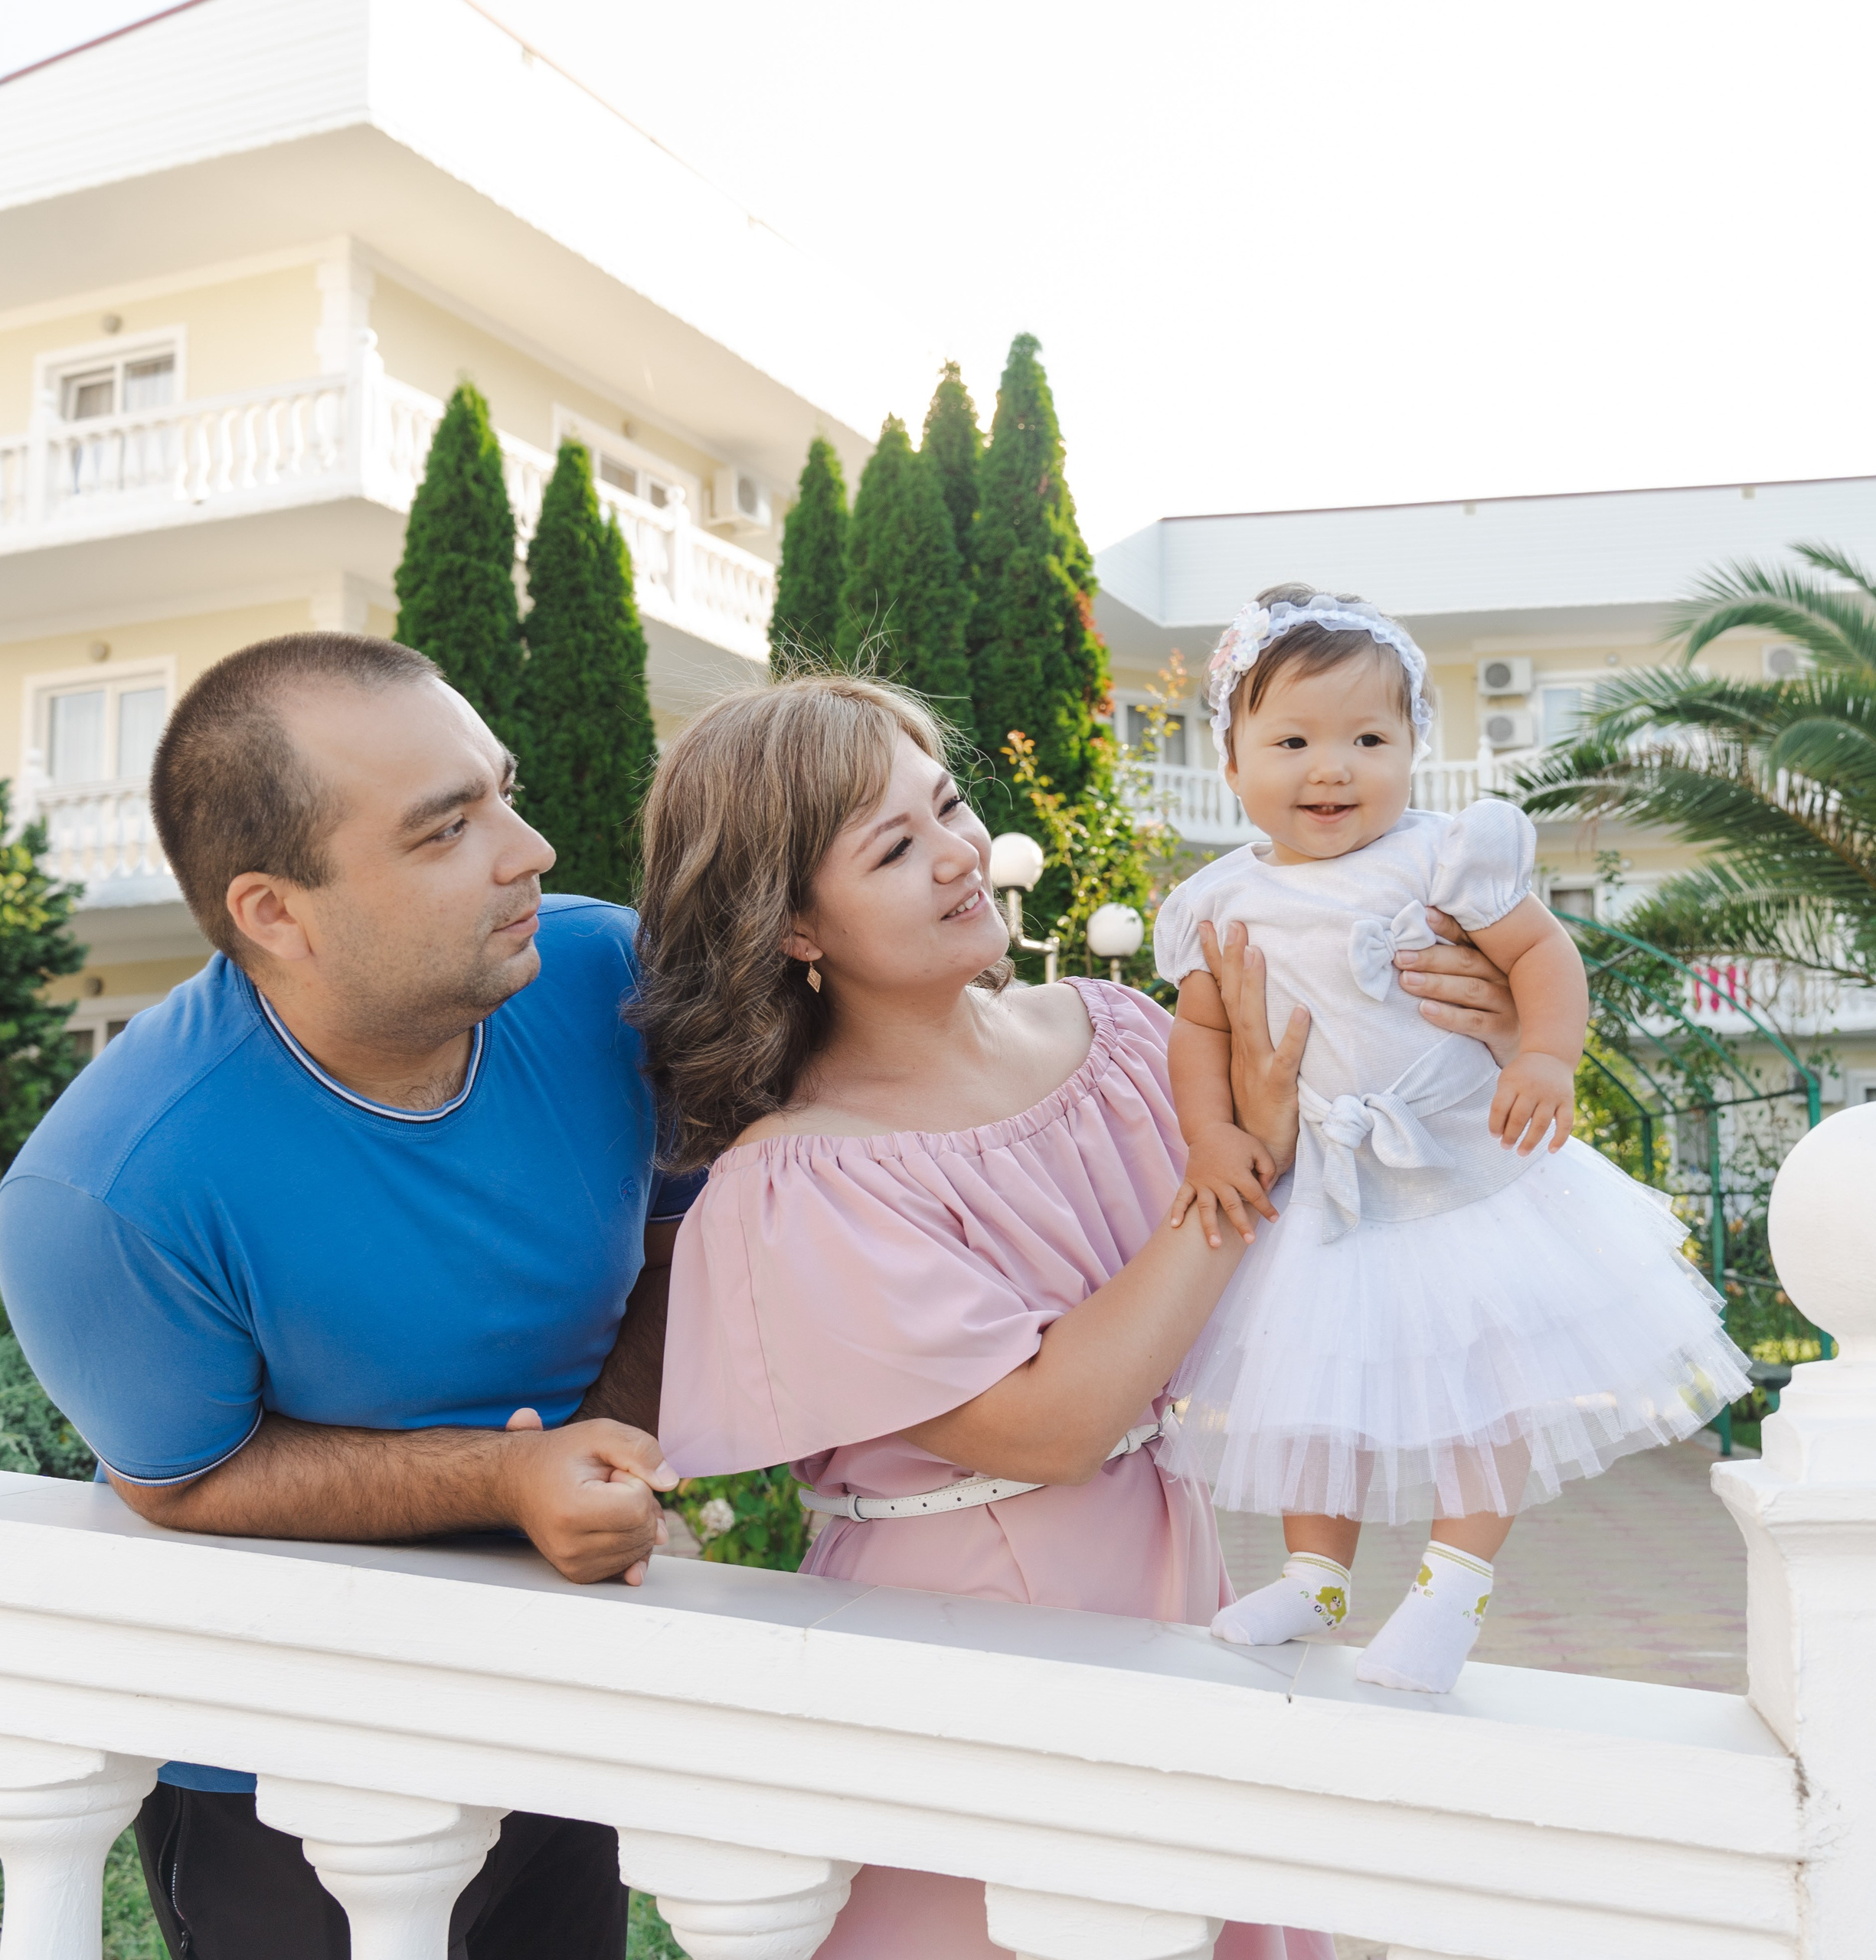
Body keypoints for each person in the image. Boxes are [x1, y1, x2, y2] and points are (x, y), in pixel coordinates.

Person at [638, 673, 1525, 1959]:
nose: (959, 855)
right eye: (893, 849)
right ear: (792, 928)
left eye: (949, 806)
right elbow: (1050, 1427)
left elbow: (1346, 1186)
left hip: (1180, 1604)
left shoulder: (1119, 1037)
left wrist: (1482, 1030)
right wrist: (1235, 1174)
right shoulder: (800, 1180)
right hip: (962, 1658)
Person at [0, 632, 695, 1960]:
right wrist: (509, 1480)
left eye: (503, 791)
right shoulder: (105, 1194)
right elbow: (185, 1479)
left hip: (560, 1682)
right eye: (446, 829)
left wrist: (601, 1453)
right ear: (275, 913)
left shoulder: (613, 983)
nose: (531, 849)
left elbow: (687, 1241)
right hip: (277, 1751)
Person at [1154, 585, 1752, 1694]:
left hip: (1465, 1179)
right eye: (1293, 741)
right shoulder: (1215, 901)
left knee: (1485, 1389)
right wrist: (1208, 1136)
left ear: (1414, 748)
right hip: (1329, 1194)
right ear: (1230, 763)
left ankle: (1452, 1587)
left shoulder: (1439, 858)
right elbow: (1199, 1033)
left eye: (1368, 740)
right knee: (1316, 1393)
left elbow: (1543, 955)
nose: (1332, 769)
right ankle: (1315, 1576)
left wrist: (1545, 1058)